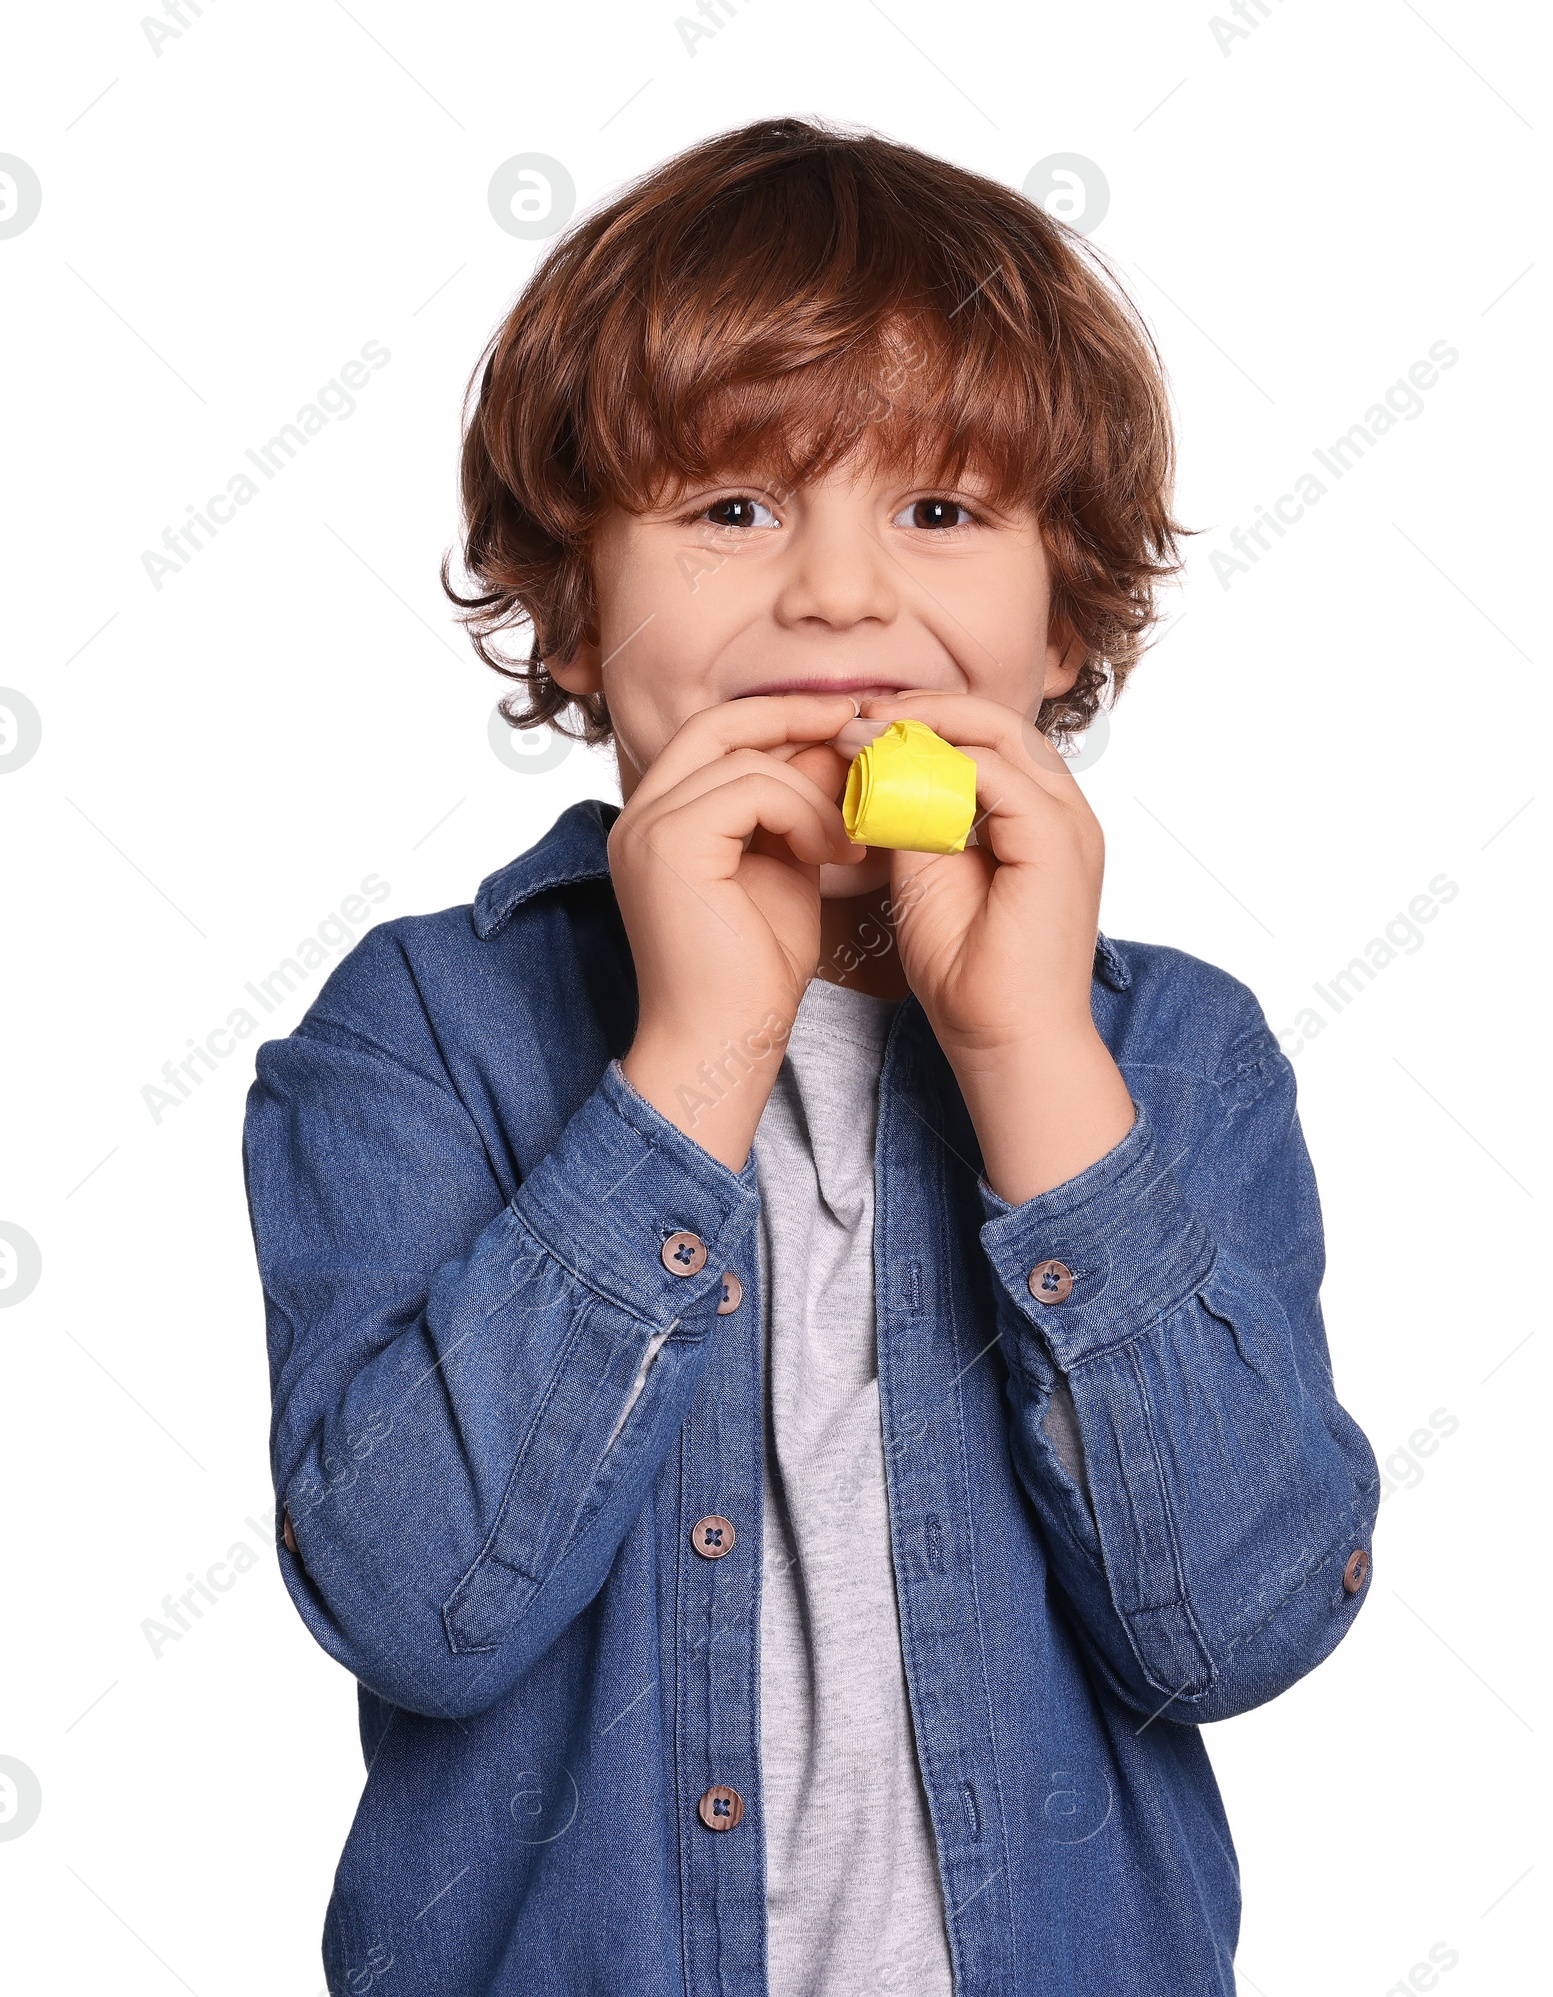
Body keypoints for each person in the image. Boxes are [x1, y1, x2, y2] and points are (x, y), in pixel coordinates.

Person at [242, 116, 1379, 1997]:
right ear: (579, 611)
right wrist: (694, 1052)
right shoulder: (418, 1033)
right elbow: (414, 1603)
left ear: (1064, 607)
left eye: (939, 510)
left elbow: (1238, 1626)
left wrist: (1025, 1051)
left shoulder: (1176, 1054)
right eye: (732, 508)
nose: (841, 597)